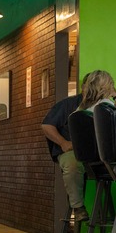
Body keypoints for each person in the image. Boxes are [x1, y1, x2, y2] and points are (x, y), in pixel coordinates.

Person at [41, 76, 88, 223]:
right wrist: (63, 142)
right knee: (72, 164)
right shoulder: (68, 104)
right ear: (84, 87)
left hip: (97, 153)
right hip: (71, 151)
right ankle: (78, 207)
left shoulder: (105, 104)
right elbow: (46, 126)